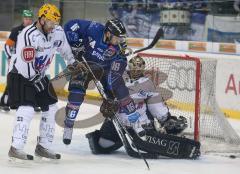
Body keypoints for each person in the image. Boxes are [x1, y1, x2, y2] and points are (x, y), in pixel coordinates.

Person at [85, 55, 197, 159]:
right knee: (100, 146)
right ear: (129, 67)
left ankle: (162, 136)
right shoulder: (116, 78)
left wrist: (166, 119)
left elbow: (155, 105)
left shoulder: (147, 83)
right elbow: (107, 89)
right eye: (134, 68)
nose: (136, 71)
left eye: (139, 69)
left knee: (142, 150)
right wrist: (108, 103)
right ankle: (124, 139)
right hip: (116, 123)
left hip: (140, 124)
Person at [7, 3, 76, 160]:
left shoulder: (57, 32)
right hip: (20, 75)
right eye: (51, 22)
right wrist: (35, 78)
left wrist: (73, 63)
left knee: (52, 107)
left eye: (56, 23)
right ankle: (16, 148)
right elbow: (25, 64)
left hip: (39, 75)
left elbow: (65, 50)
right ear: (42, 19)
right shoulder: (27, 35)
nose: (54, 26)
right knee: (27, 109)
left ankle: (43, 146)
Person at [63, 18, 142, 145]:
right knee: (76, 96)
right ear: (108, 33)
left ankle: (136, 122)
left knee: (120, 89)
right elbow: (69, 25)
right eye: (118, 37)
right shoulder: (94, 28)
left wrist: (111, 89)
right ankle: (69, 125)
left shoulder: (119, 47)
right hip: (84, 65)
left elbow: (119, 68)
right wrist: (75, 44)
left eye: (121, 38)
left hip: (104, 69)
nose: (119, 41)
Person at [0, 9, 34, 112]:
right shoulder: (16, 30)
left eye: (29, 19)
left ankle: (32, 102)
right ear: (23, 19)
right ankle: (4, 102)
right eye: (26, 18)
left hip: (29, 60)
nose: (28, 21)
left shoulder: (35, 31)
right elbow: (7, 46)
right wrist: (10, 57)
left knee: (31, 81)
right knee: (12, 82)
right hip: (16, 60)